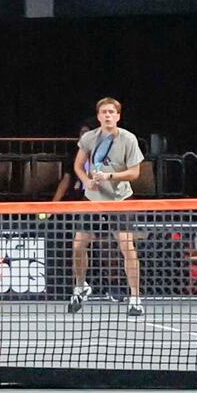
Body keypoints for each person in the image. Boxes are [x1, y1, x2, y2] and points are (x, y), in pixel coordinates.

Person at [61, 95, 146, 316]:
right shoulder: (90, 138)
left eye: (112, 112)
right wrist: (87, 180)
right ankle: (80, 287)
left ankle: (135, 298)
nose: (108, 115)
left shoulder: (128, 139)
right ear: (99, 116)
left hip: (120, 199)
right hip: (93, 199)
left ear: (118, 116)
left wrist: (110, 176)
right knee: (78, 245)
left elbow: (135, 173)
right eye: (104, 112)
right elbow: (78, 165)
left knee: (127, 247)